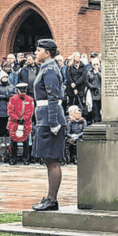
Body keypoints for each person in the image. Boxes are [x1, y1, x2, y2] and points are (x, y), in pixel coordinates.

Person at [31, 39, 67, 211]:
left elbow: (53, 97)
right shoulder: (46, 68)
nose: (36, 53)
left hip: (50, 119)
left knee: (52, 160)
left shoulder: (50, 69)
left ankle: (52, 200)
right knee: (47, 159)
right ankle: (50, 197)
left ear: (47, 53)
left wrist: (53, 122)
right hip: (44, 118)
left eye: (38, 50)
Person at [7, 82, 34, 165]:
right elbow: (10, 111)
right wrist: (17, 119)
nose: (23, 92)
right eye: (21, 91)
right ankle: (13, 159)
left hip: (25, 122)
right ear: (17, 90)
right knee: (13, 141)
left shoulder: (30, 99)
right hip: (14, 122)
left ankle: (26, 159)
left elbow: (30, 111)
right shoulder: (12, 99)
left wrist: (24, 118)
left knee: (25, 141)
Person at [0, 72, 15, 144]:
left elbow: (15, 93)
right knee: (2, 124)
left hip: (9, 107)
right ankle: (2, 140)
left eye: (6, 77)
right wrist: (4, 97)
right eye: (4, 77)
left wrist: (11, 96)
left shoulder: (11, 86)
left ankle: (8, 140)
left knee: (9, 125)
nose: (5, 79)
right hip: (0, 107)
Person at [85, 59, 102, 123]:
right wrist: (92, 87)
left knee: (100, 107)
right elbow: (87, 81)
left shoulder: (101, 71)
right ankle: (96, 120)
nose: (95, 66)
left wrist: (97, 72)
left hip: (100, 92)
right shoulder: (89, 72)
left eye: (97, 64)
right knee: (95, 107)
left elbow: (103, 79)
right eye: (94, 64)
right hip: (93, 92)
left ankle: (100, 119)